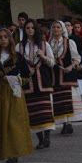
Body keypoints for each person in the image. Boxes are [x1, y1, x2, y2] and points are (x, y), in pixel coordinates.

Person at [0, 28, 33, 163]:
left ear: (10, 39)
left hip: (14, 93)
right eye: (0, 37)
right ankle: (3, 152)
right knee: (0, 123)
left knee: (13, 124)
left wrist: (11, 79)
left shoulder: (18, 57)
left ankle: (14, 153)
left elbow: (27, 76)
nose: (3, 39)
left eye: (5, 36)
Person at [18, 19, 56, 149]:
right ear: (24, 30)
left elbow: (52, 63)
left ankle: (47, 138)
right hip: (28, 83)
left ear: (36, 29)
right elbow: (17, 65)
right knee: (33, 113)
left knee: (45, 111)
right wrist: (26, 70)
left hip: (42, 81)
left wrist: (43, 56)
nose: (30, 30)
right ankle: (40, 140)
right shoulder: (20, 46)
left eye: (32, 28)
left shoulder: (44, 45)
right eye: (27, 28)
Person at [49, 20, 82, 134]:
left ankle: (69, 123)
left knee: (69, 98)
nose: (56, 29)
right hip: (54, 75)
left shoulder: (69, 42)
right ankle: (64, 123)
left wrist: (71, 66)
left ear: (62, 29)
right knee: (59, 99)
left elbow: (77, 58)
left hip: (67, 74)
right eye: (54, 27)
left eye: (58, 27)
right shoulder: (48, 43)